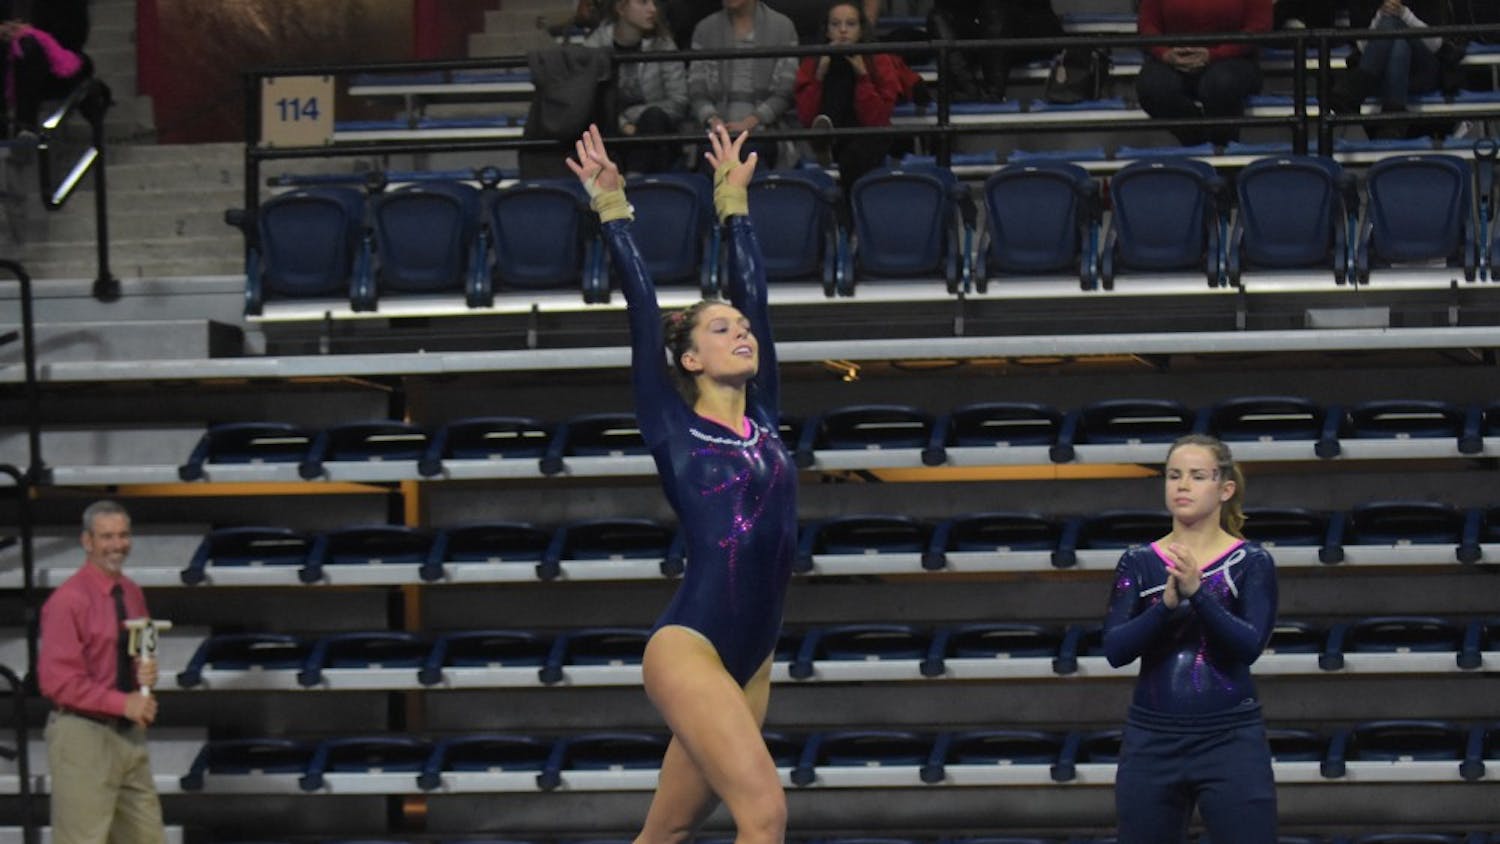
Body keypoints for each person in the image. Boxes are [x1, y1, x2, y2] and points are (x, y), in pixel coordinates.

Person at [566, 123, 795, 842]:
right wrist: (614, 212)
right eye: (721, 330)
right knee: (763, 815)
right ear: (690, 360)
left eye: (743, 328)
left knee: (662, 835)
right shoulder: (671, 424)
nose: (742, 334)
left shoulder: (766, 417)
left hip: (752, 656)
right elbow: (642, 314)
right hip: (690, 646)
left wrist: (735, 202)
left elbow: (756, 297)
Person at [1102, 434, 1279, 844]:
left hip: (1230, 738)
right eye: (1174, 475)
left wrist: (1199, 594)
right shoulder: (1140, 561)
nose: (1182, 485)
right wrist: (1164, 606)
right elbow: (1115, 650)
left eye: (1198, 476)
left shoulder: (1251, 561)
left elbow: (1248, 646)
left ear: (1225, 489)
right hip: (1151, 738)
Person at [38, 500, 166, 844]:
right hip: (83, 734)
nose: (117, 544)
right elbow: (57, 682)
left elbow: (142, 648)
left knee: (147, 837)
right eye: (106, 536)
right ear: (87, 542)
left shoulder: (133, 592)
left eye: (123, 535)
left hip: (128, 735)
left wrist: (146, 672)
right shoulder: (67, 601)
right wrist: (122, 703)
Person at [1135, 0, 1272, 147]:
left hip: (1235, 58)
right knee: (1152, 86)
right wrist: (1164, 53)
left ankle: (1221, 145)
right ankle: (1199, 142)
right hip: (1175, 56)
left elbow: (1259, 26)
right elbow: (1147, 24)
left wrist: (1215, 54)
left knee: (1221, 84)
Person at [794, 1, 900, 190]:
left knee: (854, 156)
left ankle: (850, 213)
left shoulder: (879, 60)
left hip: (869, 134)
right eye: (835, 25)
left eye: (850, 24)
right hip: (834, 134)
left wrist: (863, 78)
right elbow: (807, 117)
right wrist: (819, 77)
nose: (843, 31)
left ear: (861, 29)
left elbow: (878, 119)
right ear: (827, 31)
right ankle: (824, 139)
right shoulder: (812, 62)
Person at [688, 0, 799, 167]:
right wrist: (713, 120)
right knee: (712, 155)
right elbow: (696, 90)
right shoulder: (704, 29)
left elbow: (785, 91)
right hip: (716, 132)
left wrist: (752, 122)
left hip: (764, 131)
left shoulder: (783, 27)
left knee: (751, 154)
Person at [584, 0, 690, 174]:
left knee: (653, 116)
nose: (653, 9)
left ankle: (634, 181)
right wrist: (623, 124)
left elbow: (679, 101)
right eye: (643, 2)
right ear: (620, 8)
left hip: (655, 134)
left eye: (654, 3)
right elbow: (590, 103)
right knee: (601, 122)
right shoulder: (595, 46)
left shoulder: (663, 44)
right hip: (612, 133)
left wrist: (633, 117)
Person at [1331, 0, 1450, 137]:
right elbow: (1363, 48)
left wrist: (1405, 15)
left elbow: (1436, 45)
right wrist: (1380, 16)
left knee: (1395, 25)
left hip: (1421, 72)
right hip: (1382, 74)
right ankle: (1393, 119)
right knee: (1400, 41)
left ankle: (1354, 90)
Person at [926, 0, 1063, 101]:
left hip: (1026, 28)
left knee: (994, 7)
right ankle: (968, 89)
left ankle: (993, 94)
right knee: (938, 17)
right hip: (981, 33)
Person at [0, 0, 92, 137]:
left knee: (28, 47)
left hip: (52, 62)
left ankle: (25, 128)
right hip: (10, 59)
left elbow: (73, 37)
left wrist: (29, 32)